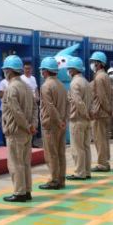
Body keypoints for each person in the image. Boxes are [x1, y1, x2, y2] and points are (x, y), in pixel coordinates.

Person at [1, 55, 38, 202]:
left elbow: (16, 111)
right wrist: (33, 125)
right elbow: (35, 107)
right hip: (27, 132)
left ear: (10, 71)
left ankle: (19, 192)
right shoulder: (27, 87)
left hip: (16, 131)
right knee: (25, 163)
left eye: (5, 70)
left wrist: (27, 126)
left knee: (15, 163)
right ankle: (27, 190)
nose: (4, 72)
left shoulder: (11, 88)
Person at [38, 57, 69, 190]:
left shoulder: (46, 86)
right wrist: (64, 120)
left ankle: (53, 180)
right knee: (60, 152)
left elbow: (49, 107)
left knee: (51, 153)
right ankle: (61, 179)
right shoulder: (61, 85)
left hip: (51, 124)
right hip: (61, 124)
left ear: (45, 71)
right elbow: (67, 105)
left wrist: (58, 121)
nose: (41, 72)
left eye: (42, 70)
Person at [66, 57, 93, 181]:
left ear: (73, 70)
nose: (68, 71)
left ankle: (79, 172)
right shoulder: (86, 82)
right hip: (86, 120)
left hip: (78, 119)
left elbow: (78, 102)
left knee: (77, 148)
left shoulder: (74, 83)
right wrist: (89, 114)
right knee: (86, 146)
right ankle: (87, 171)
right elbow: (90, 100)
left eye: (69, 69)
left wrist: (85, 113)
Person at [90, 51, 112, 172]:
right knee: (103, 138)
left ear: (99, 64)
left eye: (93, 62)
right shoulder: (105, 76)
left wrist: (107, 109)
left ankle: (102, 163)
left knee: (99, 139)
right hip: (104, 112)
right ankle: (105, 161)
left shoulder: (99, 77)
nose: (92, 64)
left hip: (99, 113)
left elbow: (102, 96)